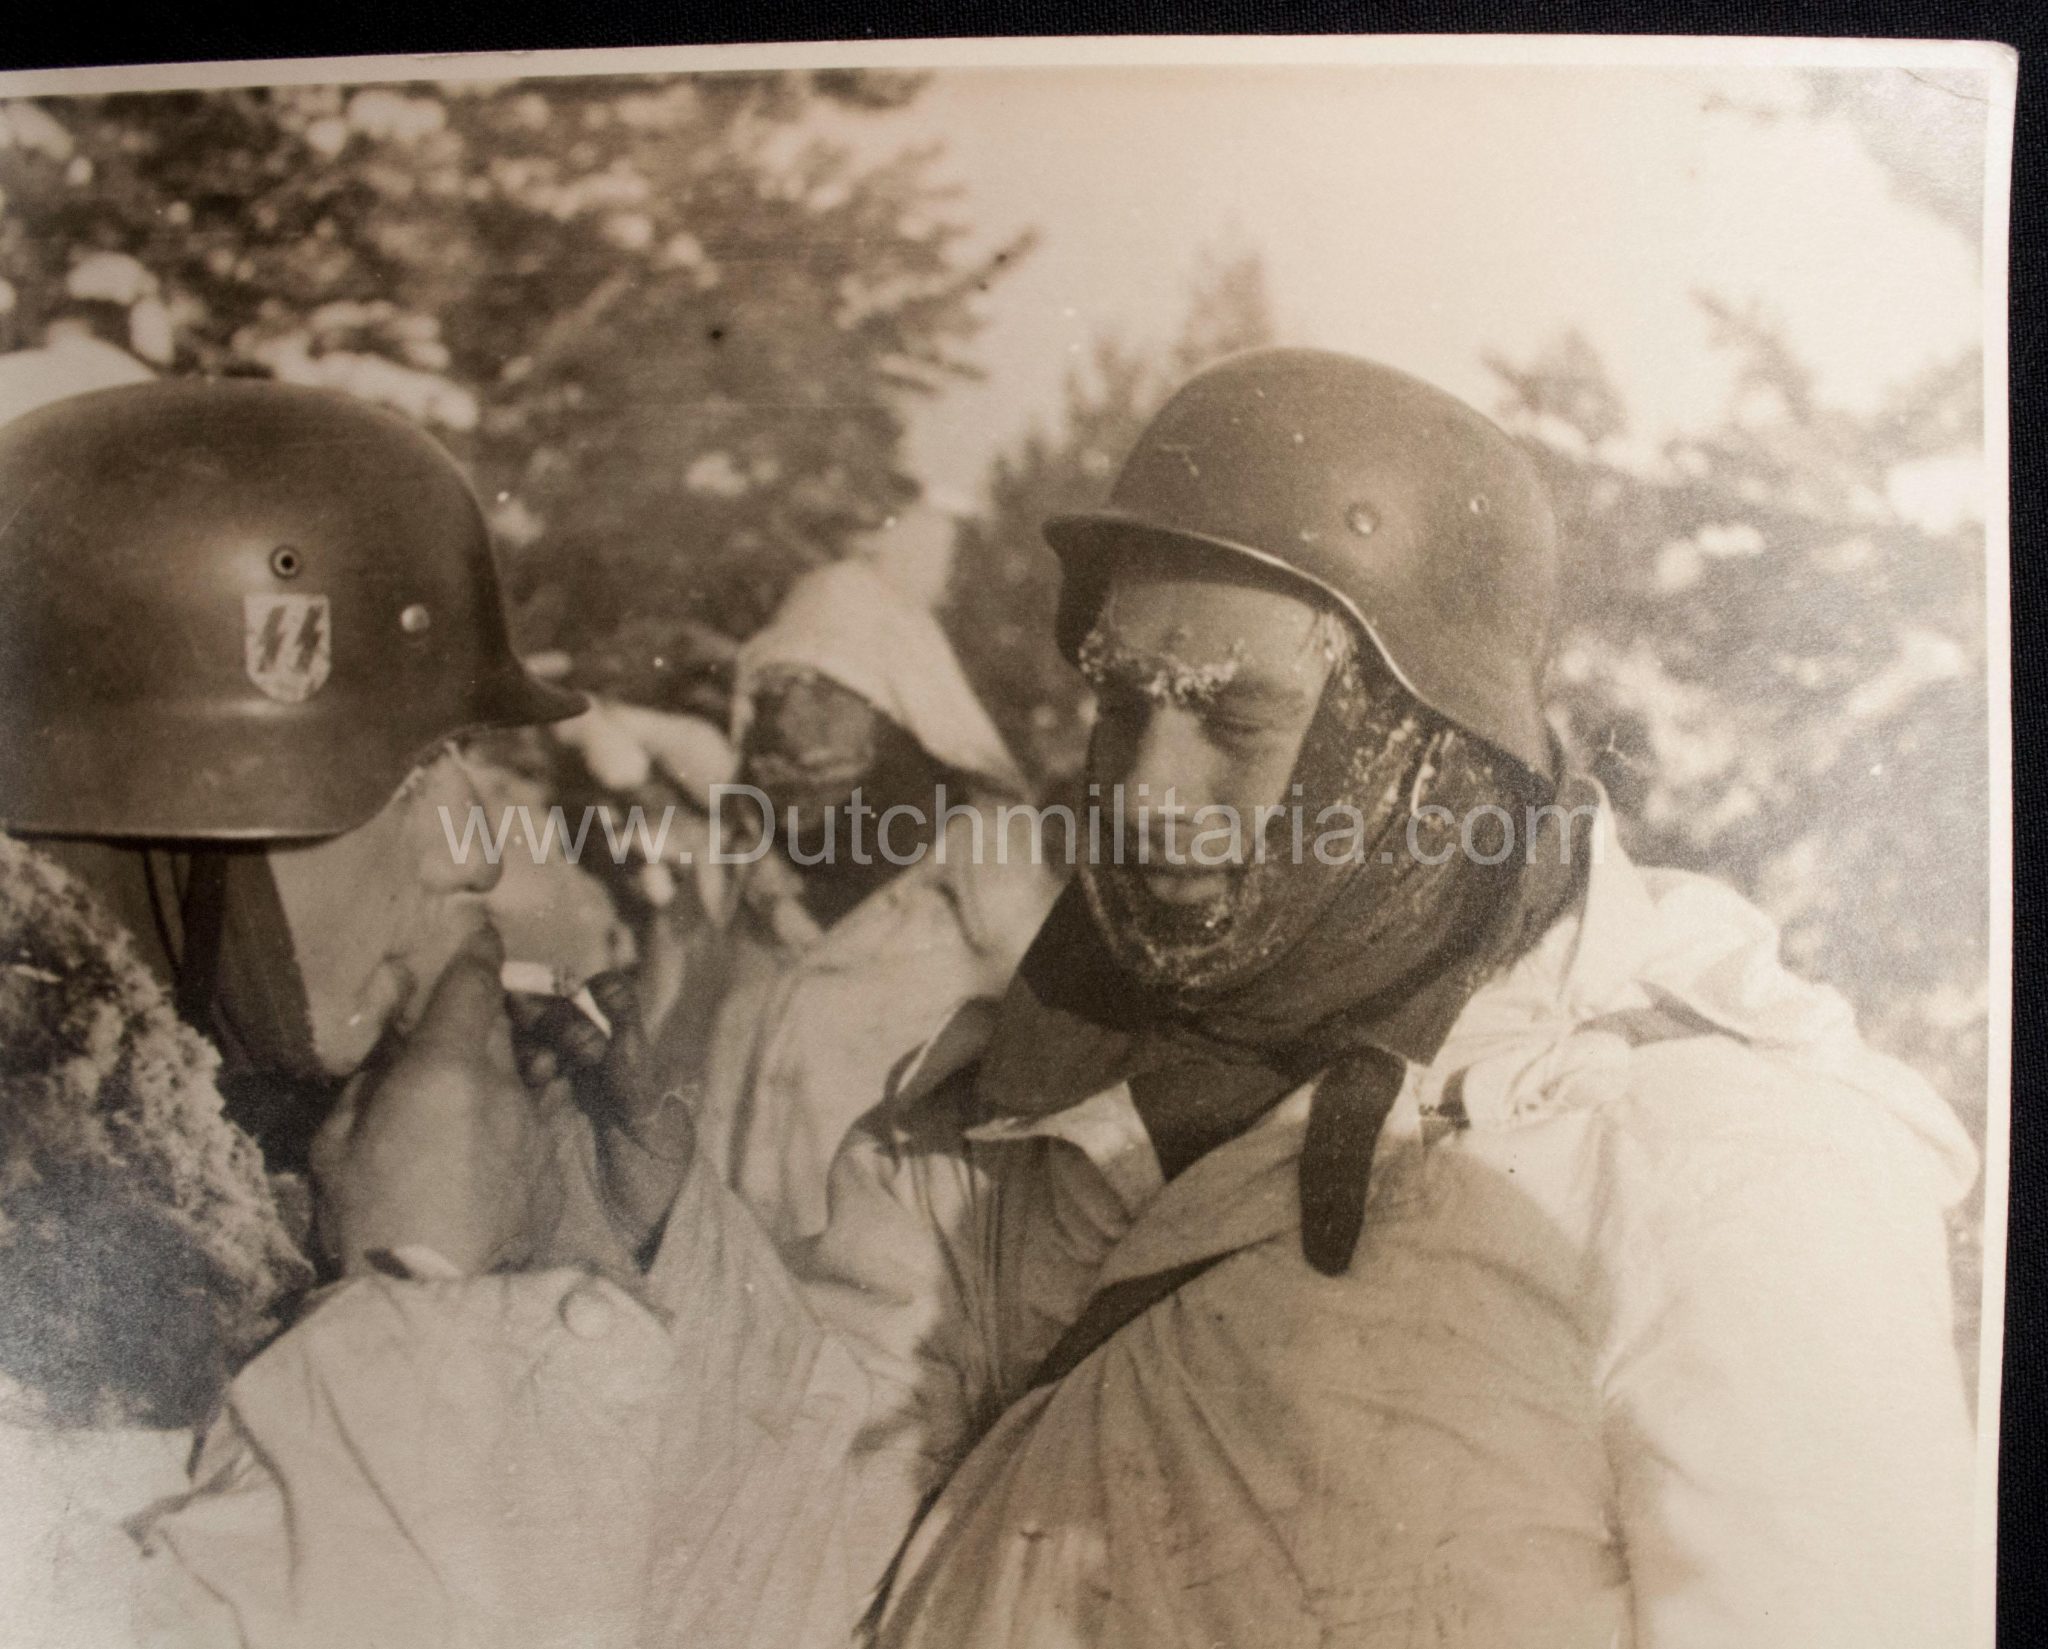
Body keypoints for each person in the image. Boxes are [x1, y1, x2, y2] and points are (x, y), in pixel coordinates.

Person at [139, 348, 1976, 1649]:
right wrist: (627, 1250)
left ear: (1432, 743)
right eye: (1118, 702)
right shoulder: (1031, 1093)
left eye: (1234, 716)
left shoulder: (1717, 1156)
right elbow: (825, 1555)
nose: (1142, 786)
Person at [0, 376, 684, 1645]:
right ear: (177, 800)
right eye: (412, 767)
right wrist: (416, 1306)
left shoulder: (219, 1183)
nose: (471, 855)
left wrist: (599, 1244)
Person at [687, 551, 1059, 1245]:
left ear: (900, 717)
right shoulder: (740, 901)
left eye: (828, 696)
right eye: (772, 699)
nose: (790, 729)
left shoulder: (997, 900)